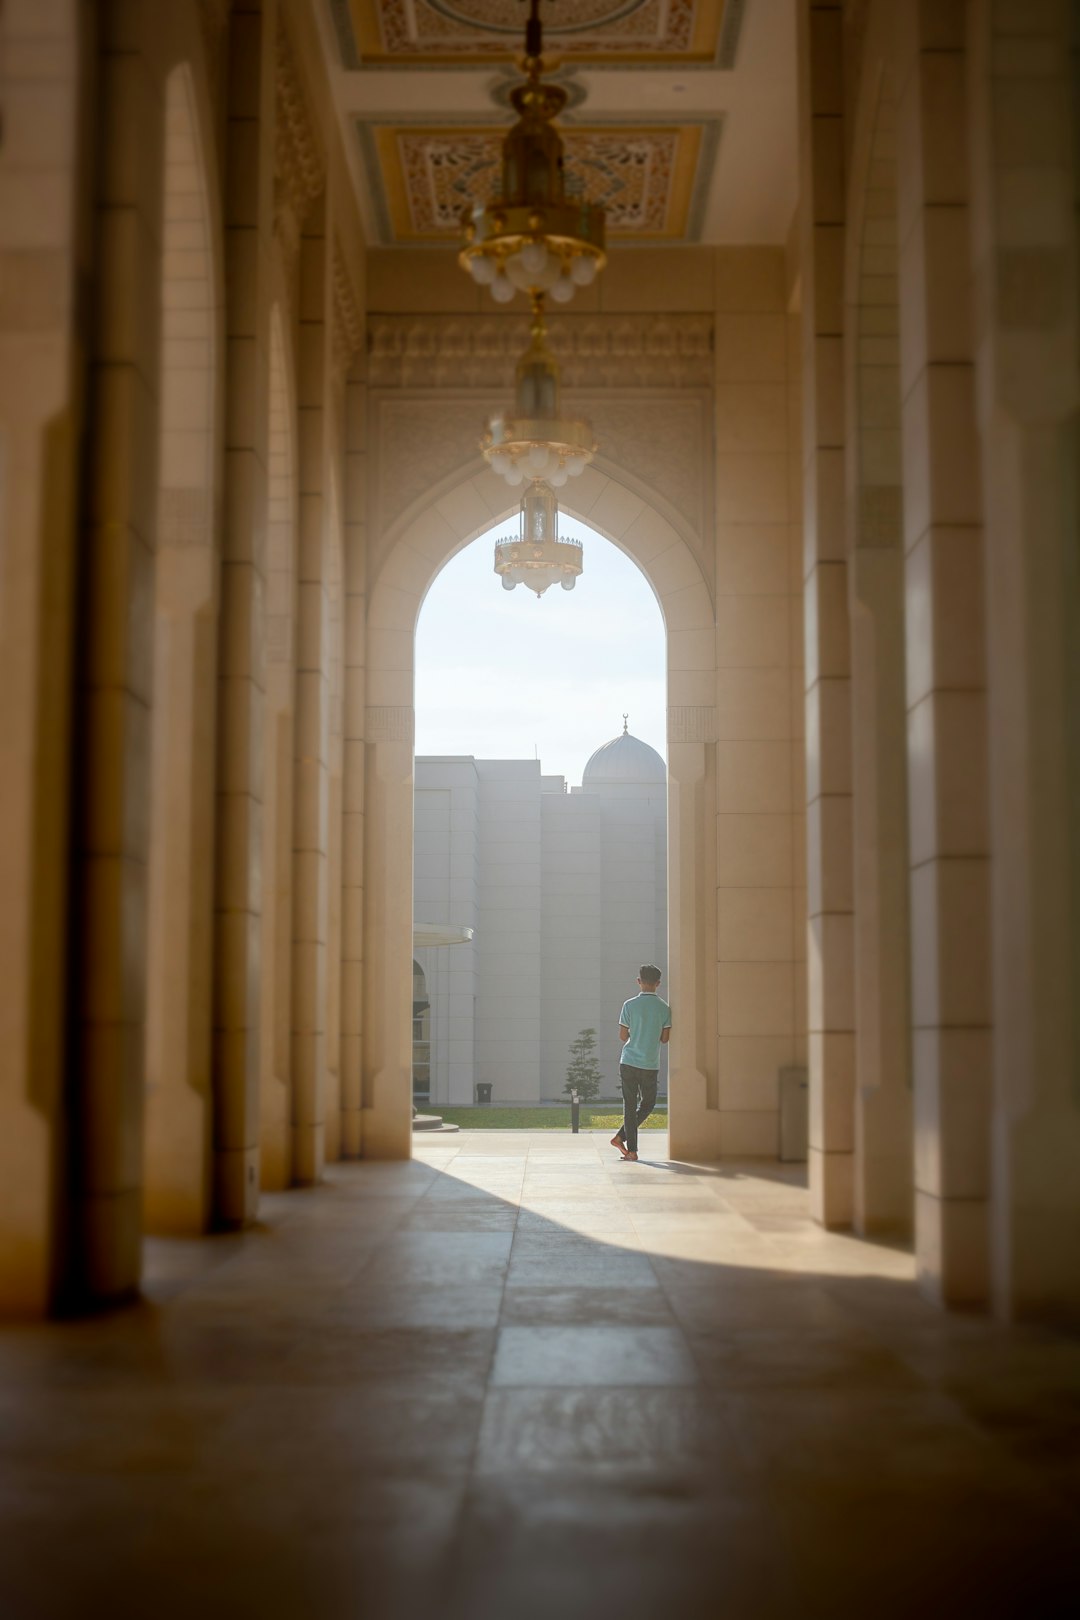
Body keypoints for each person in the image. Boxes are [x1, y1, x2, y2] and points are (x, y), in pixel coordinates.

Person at [610, 965, 671, 1161]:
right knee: (648, 1104)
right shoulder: (664, 1008)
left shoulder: (628, 1005)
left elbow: (622, 1036)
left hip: (628, 1061)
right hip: (650, 1063)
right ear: (658, 983)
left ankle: (626, 1143)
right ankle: (624, 1142)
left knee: (629, 1105)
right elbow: (664, 1039)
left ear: (639, 981)